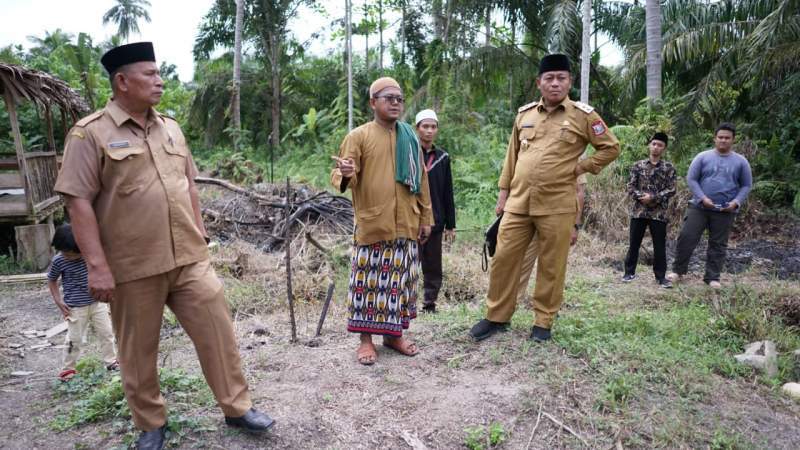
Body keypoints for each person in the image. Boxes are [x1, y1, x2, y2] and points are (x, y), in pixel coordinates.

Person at [54, 42, 273, 450]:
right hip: (133, 265)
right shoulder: (91, 133)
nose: (159, 80)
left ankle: (236, 407)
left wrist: (201, 233)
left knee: (218, 331)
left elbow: (187, 181)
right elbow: (78, 202)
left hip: (188, 257)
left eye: (159, 73)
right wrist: (97, 267)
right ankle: (150, 423)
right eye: (150, 74)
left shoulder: (170, 126)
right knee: (138, 350)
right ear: (122, 81)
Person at [469, 54, 620, 343]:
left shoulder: (583, 116)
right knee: (503, 259)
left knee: (551, 265)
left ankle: (543, 322)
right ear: (539, 83)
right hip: (518, 202)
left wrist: (581, 167)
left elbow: (611, 148)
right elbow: (511, 157)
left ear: (569, 82)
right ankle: (496, 317)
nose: (555, 83)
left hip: (557, 204)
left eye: (561, 78)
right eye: (549, 78)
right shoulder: (524, 115)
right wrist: (503, 196)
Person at [331, 77, 434, 365]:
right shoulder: (359, 136)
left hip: (406, 224)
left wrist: (426, 217)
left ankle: (394, 335)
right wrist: (348, 171)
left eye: (399, 98)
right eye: (388, 97)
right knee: (368, 284)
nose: (395, 103)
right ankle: (366, 341)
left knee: (400, 283)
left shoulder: (410, 137)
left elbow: (422, 181)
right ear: (372, 102)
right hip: (373, 225)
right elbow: (339, 175)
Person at [667, 123, 753, 288]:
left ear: (733, 140)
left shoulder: (741, 162)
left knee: (718, 244)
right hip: (699, 207)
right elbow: (691, 179)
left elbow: (746, 185)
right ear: (715, 138)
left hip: (725, 210)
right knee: (687, 237)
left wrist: (736, 203)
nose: (723, 140)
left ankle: (712, 277)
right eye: (720, 137)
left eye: (727, 138)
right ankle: (678, 271)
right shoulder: (703, 157)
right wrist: (702, 198)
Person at [47, 224, 118, 382]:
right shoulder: (59, 261)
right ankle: (68, 369)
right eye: (64, 252)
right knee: (75, 339)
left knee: (106, 333)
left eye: (71, 254)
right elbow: (52, 281)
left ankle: (111, 361)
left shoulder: (92, 257)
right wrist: (59, 302)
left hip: (97, 303)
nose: (67, 256)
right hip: (75, 308)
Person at [515, 175, 586, 301]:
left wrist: (575, 225)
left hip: (556, 217)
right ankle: (512, 301)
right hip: (530, 214)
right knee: (521, 259)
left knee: (552, 264)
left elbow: (579, 191)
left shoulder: (572, 156)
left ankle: (548, 307)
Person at [622, 132, 677, 288]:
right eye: (654, 144)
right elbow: (630, 187)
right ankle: (629, 273)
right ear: (649, 145)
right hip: (639, 211)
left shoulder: (668, 168)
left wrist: (654, 197)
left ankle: (660, 277)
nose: (656, 147)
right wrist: (642, 196)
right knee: (634, 243)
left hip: (658, 213)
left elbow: (672, 189)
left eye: (659, 145)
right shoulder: (638, 166)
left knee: (659, 245)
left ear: (664, 148)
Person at [415, 109, 455, 314]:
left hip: (436, 220)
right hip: (412, 219)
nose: (429, 131)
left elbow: (447, 192)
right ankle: (406, 302)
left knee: (433, 265)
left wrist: (451, 225)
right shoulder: (410, 155)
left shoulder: (442, 157)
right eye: (425, 126)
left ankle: (429, 303)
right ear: (417, 128)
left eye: (433, 127)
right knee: (411, 262)